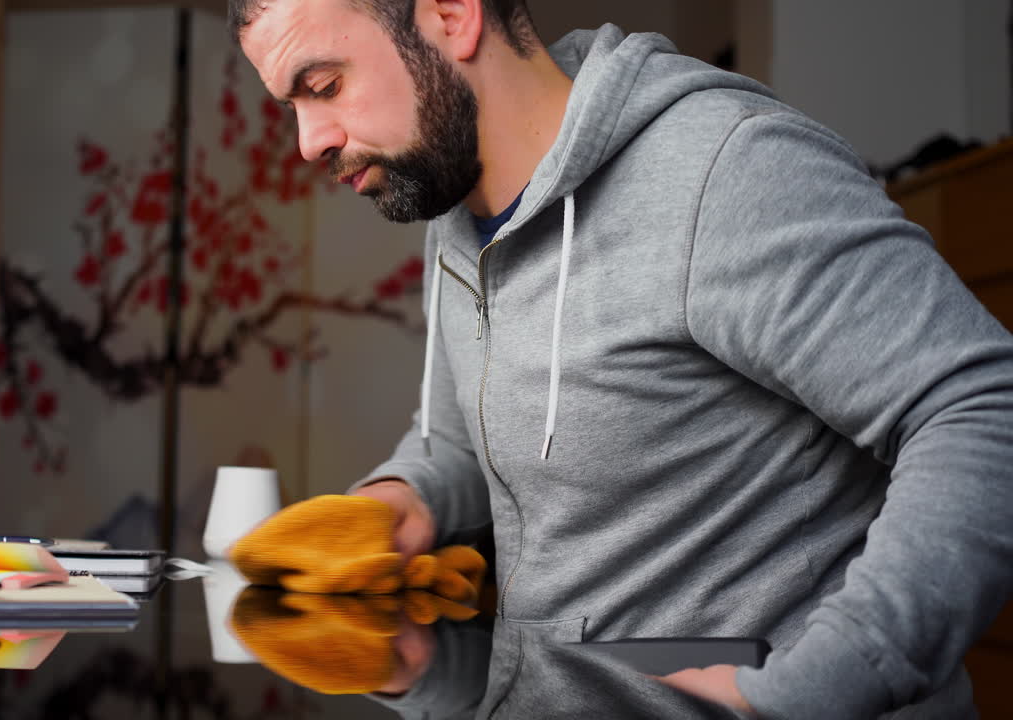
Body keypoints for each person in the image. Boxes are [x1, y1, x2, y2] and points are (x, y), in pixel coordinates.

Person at [230, 0, 1013, 717]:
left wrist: (834, 679)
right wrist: (402, 504)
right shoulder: (456, 213)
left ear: (450, 13)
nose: (307, 142)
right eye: (290, 105)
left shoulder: (727, 169)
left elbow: (981, 405)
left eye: (323, 85)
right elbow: (473, 437)